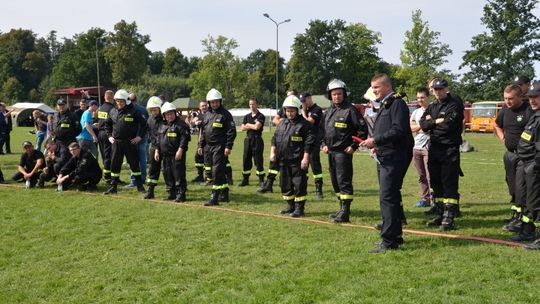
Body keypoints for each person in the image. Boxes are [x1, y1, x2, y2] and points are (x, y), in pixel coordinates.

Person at [361, 74, 413, 253]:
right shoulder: (385, 104)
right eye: (372, 87)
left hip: (394, 158)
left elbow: (399, 130)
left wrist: (375, 141)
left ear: (387, 87)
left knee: (387, 196)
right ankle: (396, 235)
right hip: (385, 155)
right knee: (391, 196)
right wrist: (377, 146)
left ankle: (389, 240)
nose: (373, 91)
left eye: (376, 87)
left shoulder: (397, 104)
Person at [420, 77, 464, 231]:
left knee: (449, 182)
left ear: (446, 89)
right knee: (436, 182)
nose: (438, 92)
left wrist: (432, 123)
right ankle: (439, 213)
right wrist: (434, 122)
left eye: (440, 89)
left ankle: (449, 217)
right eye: (435, 89)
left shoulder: (454, 104)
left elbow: (448, 126)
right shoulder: (433, 105)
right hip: (434, 148)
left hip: (449, 149)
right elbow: (422, 124)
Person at [321, 79, 368, 223]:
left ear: (344, 94)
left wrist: (353, 146)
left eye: (339, 94)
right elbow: (321, 131)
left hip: (343, 153)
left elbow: (362, 130)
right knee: (335, 182)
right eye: (334, 94)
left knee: (344, 181)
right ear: (330, 95)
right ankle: (340, 208)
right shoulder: (328, 111)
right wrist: (323, 144)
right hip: (331, 152)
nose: (337, 97)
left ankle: (346, 212)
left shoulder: (351, 110)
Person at [494, 84, 531, 231]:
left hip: (524, 156)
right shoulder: (504, 111)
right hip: (509, 154)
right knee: (512, 186)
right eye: (505, 99)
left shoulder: (528, 110)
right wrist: (503, 138)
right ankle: (515, 213)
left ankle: (522, 217)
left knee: (521, 186)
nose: (507, 101)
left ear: (520, 97)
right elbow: (497, 125)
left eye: (511, 98)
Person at [272, 95, 315, 217]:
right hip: (283, 160)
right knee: (284, 184)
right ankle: (290, 205)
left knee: (299, 184)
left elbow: (309, 143)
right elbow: (275, 139)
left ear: (297, 110)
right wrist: (273, 152)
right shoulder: (282, 123)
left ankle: (299, 208)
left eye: (292, 111)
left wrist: (305, 158)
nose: (289, 113)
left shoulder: (305, 125)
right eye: (287, 111)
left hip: (297, 160)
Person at [511, 82, 540, 245]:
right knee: (530, 201)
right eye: (530, 97)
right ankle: (528, 231)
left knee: (536, 202)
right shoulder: (535, 116)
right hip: (528, 165)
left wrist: (534, 163)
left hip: (535, 166)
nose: (532, 100)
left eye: (535, 97)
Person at [103, 89, 147, 195]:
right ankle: (113, 187)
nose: (119, 103)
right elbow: (107, 125)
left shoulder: (134, 111)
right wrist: (109, 136)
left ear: (126, 100)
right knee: (115, 165)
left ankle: (140, 187)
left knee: (134, 165)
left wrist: (139, 137)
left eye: (121, 101)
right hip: (116, 143)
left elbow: (144, 125)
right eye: (117, 101)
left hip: (130, 142)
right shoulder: (112, 111)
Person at [198, 88, 236, 206]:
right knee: (218, 171)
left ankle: (214, 196)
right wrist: (201, 145)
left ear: (220, 101)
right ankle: (225, 194)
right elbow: (204, 132)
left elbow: (232, 131)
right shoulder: (207, 115)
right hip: (208, 147)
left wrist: (228, 146)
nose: (214, 104)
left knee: (216, 171)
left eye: (216, 102)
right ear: (209, 103)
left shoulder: (225, 114)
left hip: (220, 146)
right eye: (212, 102)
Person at [259, 89, 297, 193]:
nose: (289, 98)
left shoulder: (299, 108)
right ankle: (269, 184)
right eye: (287, 96)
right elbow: (275, 120)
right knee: (273, 163)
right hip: (281, 138)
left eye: (291, 95)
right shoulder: (284, 108)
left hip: (293, 142)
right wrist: (284, 122)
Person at [155, 102, 191, 202]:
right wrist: (157, 151)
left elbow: (185, 138)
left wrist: (180, 150)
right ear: (164, 115)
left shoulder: (181, 125)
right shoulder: (162, 126)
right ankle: (171, 193)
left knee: (178, 174)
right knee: (167, 174)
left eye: (171, 113)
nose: (169, 116)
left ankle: (181, 194)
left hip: (177, 155)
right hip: (165, 155)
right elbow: (158, 139)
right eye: (167, 114)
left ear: (175, 113)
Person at [299, 92, 324, 199]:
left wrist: (303, 113)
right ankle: (303, 186)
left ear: (309, 98)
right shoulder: (303, 109)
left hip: (314, 140)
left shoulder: (316, 109)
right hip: (303, 141)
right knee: (303, 165)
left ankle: (319, 189)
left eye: (304, 101)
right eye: (302, 102)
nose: (303, 103)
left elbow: (309, 122)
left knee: (315, 165)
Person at [410, 88, 432, 208]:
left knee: (430, 175)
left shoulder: (433, 110)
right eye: (418, 98)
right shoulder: (415, 112)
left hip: (428, 147)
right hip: (416, 146)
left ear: (428, 97)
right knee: (421, 175)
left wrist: (420, 127)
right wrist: (422, 126)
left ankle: (435, 198)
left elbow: (431, 127)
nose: (420, 100)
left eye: (422, 97)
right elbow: (411, 128)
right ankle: (425, 198)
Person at [239, 98, 265, 187]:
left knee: (258, 160)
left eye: (253, 104)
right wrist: (251, 125)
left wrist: (248, 125)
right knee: (246, 159)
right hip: (248, 140)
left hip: (257, 139)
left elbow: (257, 127)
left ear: (257, 105)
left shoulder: (261, 116)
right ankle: (245, 179)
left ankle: (261, 180)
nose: (251, 106)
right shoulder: (247, 116)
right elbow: (242, 128)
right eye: (250, 104)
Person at [125, 93, 150, 188]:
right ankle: (142, 179)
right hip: (143, 137)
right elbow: (146, 123)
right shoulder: (143, 109)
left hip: (133, 138)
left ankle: (134, 180)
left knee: (133, 160)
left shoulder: (130, 109)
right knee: (143, 159)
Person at [144, 96, 164, 199]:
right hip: (154, 147)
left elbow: (161, 136)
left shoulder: (165, 119)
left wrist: (157, 148)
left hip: (165, 148)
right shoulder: (150, 119)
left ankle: (173, 190)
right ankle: (150, 190)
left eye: (155, 110)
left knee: (168, 170)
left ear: (160, 109)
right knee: (152, 169)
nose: (153, 112)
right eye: (151, 110)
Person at [97, 90, 116, 184]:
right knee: (109, 155)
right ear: (113, 98)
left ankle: (107, 175)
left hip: (100, 133)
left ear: (105, 97)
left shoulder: (101, 108)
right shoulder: (112, 109)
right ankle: (109, 177)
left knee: (104, 155)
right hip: (108, 134)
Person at [191, 100, 209, 183]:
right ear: (200, 107)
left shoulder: (210, 114)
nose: (204, 107)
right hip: (200, 140)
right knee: (198, 158)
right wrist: (194, 121)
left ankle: (208, 177)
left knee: (207, 159)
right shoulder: (199, 115)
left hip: (208, 141)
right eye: (202, 106)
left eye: (205, 105)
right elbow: (193, 122)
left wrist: (201, 122)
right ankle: (200, 175)